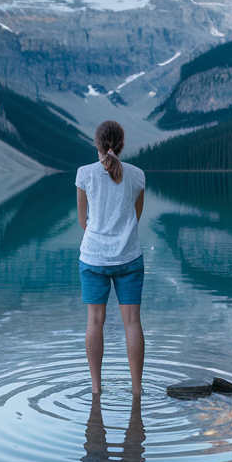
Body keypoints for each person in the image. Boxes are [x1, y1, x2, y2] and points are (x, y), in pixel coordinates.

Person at [76, 120, 146, 396]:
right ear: (122, 144)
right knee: (132, 322)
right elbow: (135, 218)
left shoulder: (84, 174)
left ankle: (96, 390)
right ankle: (137, 390)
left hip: (93, 259)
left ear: (97, 144)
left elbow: (83, 220)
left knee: (95, 321)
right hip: (129, 257)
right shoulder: (138, 175)